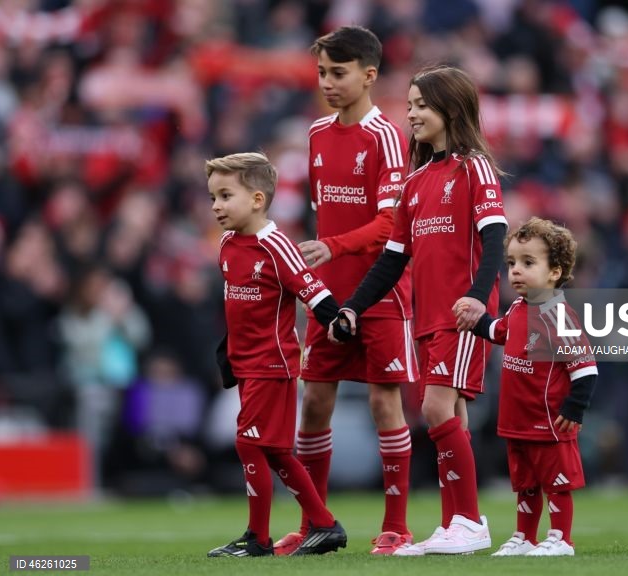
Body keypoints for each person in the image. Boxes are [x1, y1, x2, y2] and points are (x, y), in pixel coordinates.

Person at [330, 65, 508, 555]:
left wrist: (477, 295)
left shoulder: (473, 167)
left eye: (420, 105)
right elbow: (391, 261)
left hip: (463, 313)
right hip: (427, 317)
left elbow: (495, 238)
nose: (410, 114)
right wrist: (352, 310)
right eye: (408, 105)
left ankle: (469, 520)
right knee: (451, 413)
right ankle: (457, 524)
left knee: (433, 407)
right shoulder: (414, 183)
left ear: (450, 108)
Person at [277, 25, 418, 556]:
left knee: (385, 405)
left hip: (381, 292)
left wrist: (331, 247)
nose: (328, 83)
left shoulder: (386, 136)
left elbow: (389, 225)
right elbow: (325, 209)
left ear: (369, 75)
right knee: (313, 403)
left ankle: (396, 526)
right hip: (327, 295)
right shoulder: (316, 133)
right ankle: (316, 520)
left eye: (338, 73)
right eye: (321, 73)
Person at [205, 152, 347, 558]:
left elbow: (312, 291)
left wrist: (338, 322)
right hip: (247, 365)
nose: (216, 205)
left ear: (257, 199)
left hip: (273, 363)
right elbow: (238, 307)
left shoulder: (276, 245)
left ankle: (258, 539)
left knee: (249, 444)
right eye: (213, 196)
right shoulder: (228, 245)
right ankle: (323, 524)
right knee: (275, 450)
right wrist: (228, 353)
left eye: (225, 195)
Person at [469, 217, 598, 556]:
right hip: (517, 419)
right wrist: (477, 322)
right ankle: (525, 537)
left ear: (555, 271)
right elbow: (500, 331)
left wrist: (573, 407)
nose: (515, 271)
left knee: (556, 483)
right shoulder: (517, 308)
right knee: (525, 484)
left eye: (528, 263)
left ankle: (561, 539)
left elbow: (585, 368)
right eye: (511, 263)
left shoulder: (558, 315)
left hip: (549, 421)